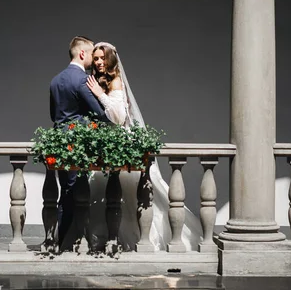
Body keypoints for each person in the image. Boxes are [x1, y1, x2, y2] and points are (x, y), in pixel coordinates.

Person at [86, 42, 203, 251]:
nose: (99, 62)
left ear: (111, 59)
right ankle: (109, 238)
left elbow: (119, 117)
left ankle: (136, 237)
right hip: (107, 142)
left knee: (129, 193)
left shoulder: (116, 82)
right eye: (96, 59)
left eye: (103, 58)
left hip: (119, 143)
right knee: (105, 191)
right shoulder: (102, 81)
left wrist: (99, 95)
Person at [49, 36, 110, 250]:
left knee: (64, 190)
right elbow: (101, 113)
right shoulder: (82, 80)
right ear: (82, 54)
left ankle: (59, 241)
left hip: (59, 141)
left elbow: (53, 115)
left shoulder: (55, 80)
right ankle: (69, 242)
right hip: (78, 143)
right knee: (77, 193)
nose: (94, 60)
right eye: (92, 55)